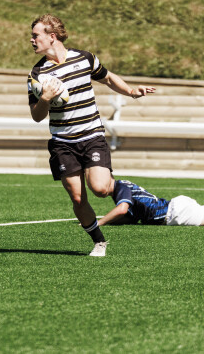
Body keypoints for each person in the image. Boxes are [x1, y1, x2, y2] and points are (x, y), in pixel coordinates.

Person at [28, 14, 156, 257]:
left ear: (52, 36)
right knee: (78, 198)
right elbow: (36, 115)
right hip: (63, 143)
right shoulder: (37, 75)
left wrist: (131, 91)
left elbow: (107, 78)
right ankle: (99, 241)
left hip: (92, 136)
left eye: (36, 35)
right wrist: (45, 99)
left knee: (100, 189)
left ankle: (122, 186)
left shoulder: (84, 58)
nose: (32, 40)